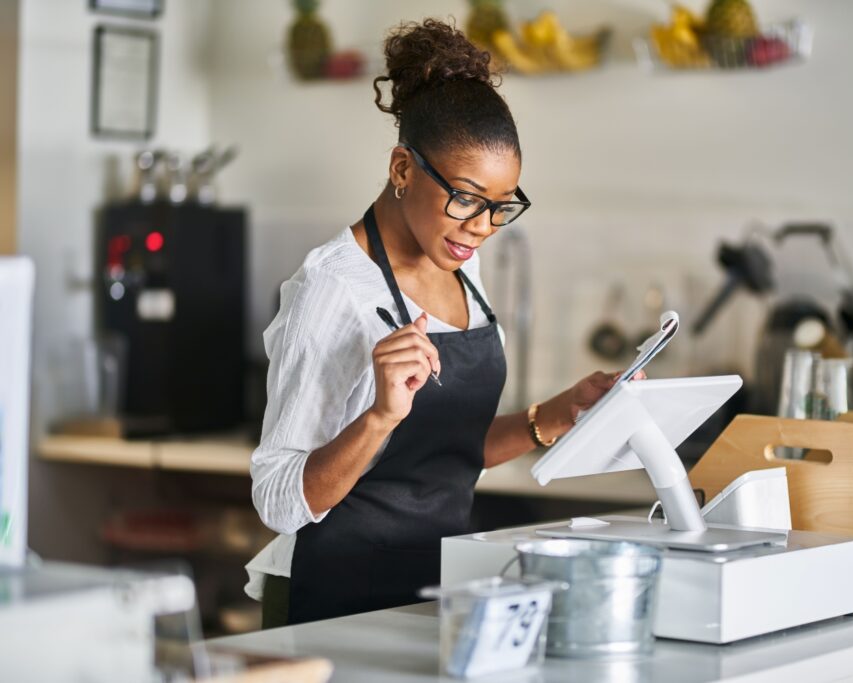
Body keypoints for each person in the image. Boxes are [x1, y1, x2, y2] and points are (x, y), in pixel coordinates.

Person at [246, 19, 630, 627]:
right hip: (335, 598)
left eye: (500, 206)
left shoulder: (458, 260)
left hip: (433, 586)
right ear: (402, 169)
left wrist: (555, 416)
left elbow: (447, 452)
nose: (481, 227)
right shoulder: (332, 288)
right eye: (467, 198)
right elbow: (276, 498)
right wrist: (379, 417)